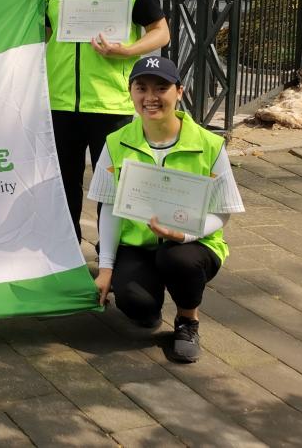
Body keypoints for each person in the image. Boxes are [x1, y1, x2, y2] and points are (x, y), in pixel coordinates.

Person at [88, 56, 244, 362]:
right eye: (141, 88)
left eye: (161, 88)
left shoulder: (209, 144)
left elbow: (223, 210)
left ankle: (187, 321)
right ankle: (148, 298)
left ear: (179, 92)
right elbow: (109, 206)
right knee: (138, 306)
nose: (151, 97)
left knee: (178, 259)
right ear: (130, 92)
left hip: (192, 244)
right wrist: (106, 269)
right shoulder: (116, 142)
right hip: (138, 245)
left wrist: (183, 234)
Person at [42, 0, 170, 242]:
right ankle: (67, 253)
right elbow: (43, 35)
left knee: (113, 184)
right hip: (60, 101)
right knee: (63, 183)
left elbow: (161, 32)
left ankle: (111, 255)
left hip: (111, 102)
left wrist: (127, 50)